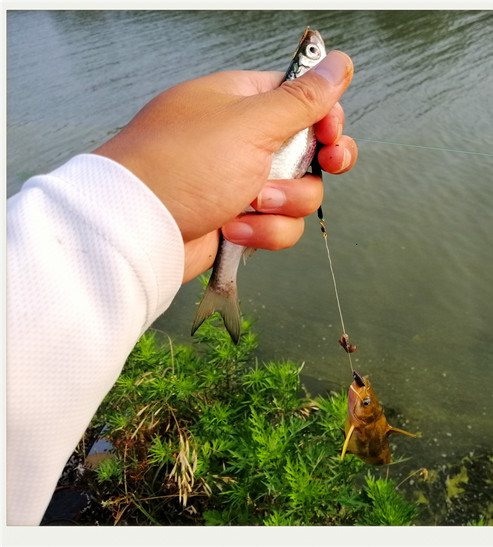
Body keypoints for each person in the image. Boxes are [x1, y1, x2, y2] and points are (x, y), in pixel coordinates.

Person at [6, 50, 357, 525]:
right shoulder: (298, 99)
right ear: (306, 76)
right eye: (310, 57)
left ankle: (222, 284)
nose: (314, 59)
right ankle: (223, 287)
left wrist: (142, 220)